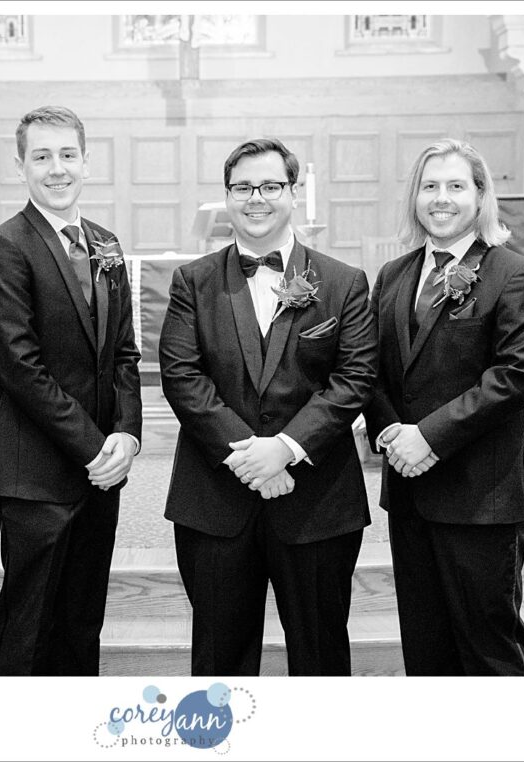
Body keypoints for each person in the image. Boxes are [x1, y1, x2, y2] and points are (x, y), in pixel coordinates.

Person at [159, 138, 378, 675]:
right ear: (227, 196)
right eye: (242, 188)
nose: (256, 199)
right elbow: (181, 375)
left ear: (294, 192)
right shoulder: (194, 281)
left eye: (270, 186)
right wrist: (247, 456)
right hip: (214, 500)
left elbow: (354, 378)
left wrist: (285, 448)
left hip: (317, 499)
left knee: (321, 654)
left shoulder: (344, 283)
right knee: (219, 656)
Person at [364, 138, 524, 676]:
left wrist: (428, 436)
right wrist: (391, 434)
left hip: (480, 496)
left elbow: (516, 376)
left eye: (454, 186)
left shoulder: (514, 273)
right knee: (425, 648)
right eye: (429, 186)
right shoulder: (394, 275)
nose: (440, 198)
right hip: (410, 492)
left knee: (489, 649)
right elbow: (369, 371)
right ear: (414, 198)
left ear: (480, 195)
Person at [0, 106, 142, 676]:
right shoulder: (4, 247)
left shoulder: (106, 244)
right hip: (36, 471)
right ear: (20, 165)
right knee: (29, 622)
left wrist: (127, 437)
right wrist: (94, 447)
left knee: (81, 618)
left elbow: (124, 352)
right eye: (41, 156)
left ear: (87, 162)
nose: (57, 168)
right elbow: (20, 367)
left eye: (68, 154)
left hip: (101, 474)